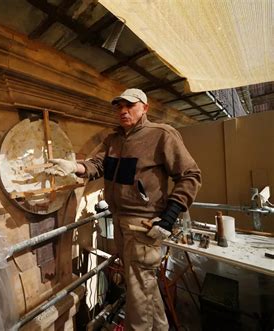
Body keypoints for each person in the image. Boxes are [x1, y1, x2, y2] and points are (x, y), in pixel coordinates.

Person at [45, 88, 202, 331]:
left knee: (138, 297)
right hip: (120, 223)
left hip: (144, 227)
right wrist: (74, 166)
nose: (123, 110)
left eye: (129, 105)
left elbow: (190, 176)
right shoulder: (114, 140)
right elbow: (98, 165)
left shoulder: (161, 135)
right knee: (142, 287)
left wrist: (169, 218)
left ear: (145, 108)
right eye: (119, 106)